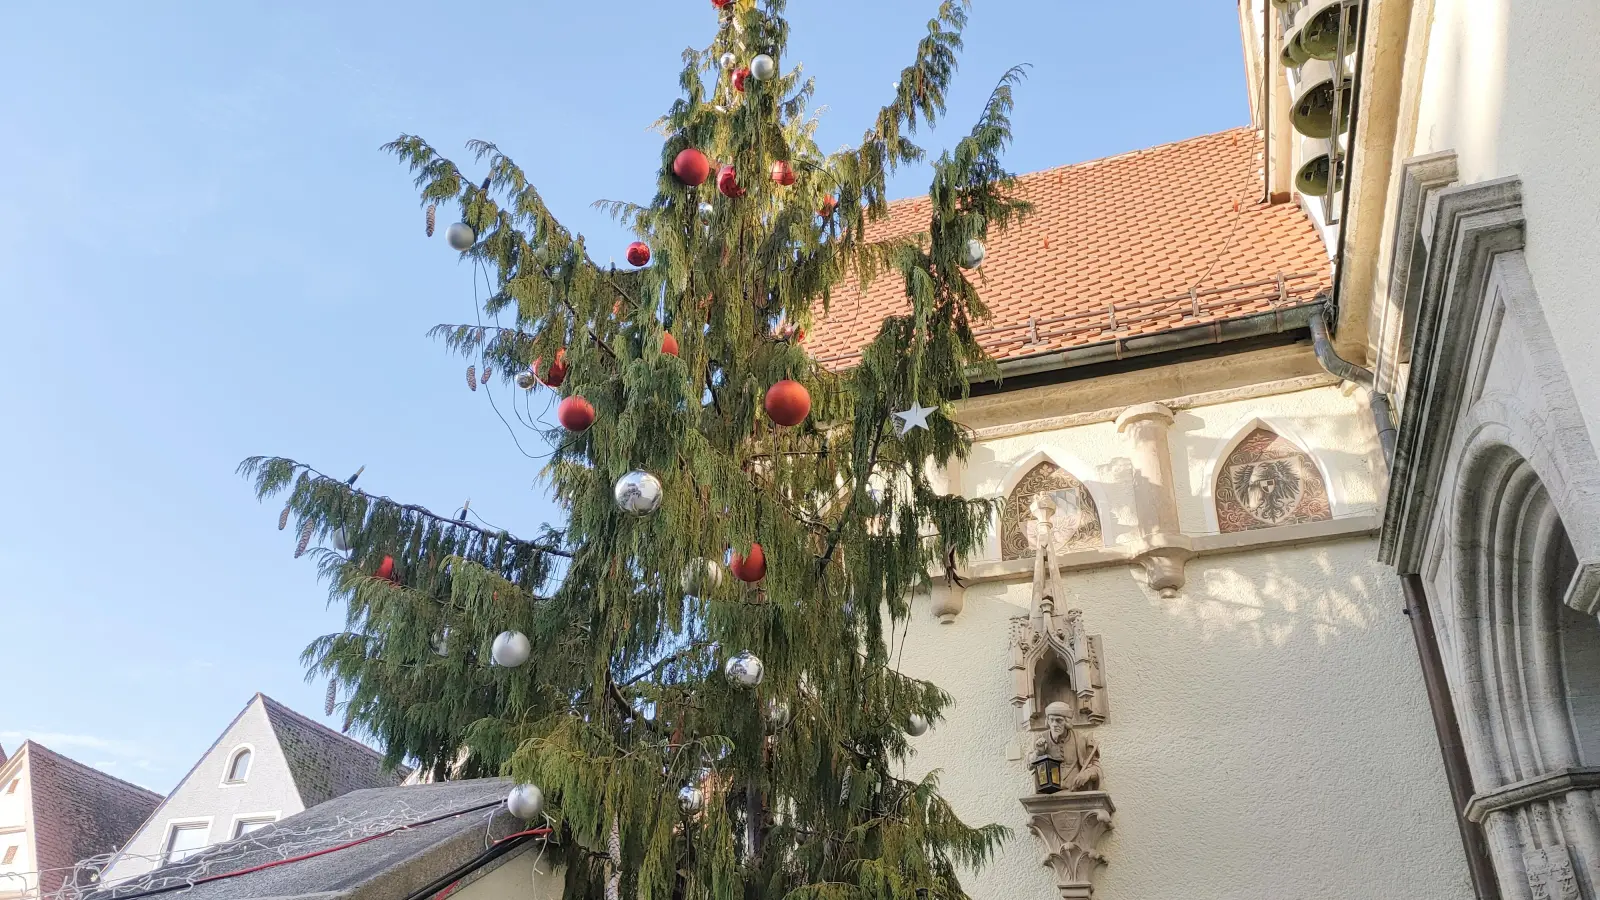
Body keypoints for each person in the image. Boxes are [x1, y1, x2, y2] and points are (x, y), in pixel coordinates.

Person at [1031, 701, 1101, 793]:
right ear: (1047, 721)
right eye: (1051, 720)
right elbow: (1030, 766)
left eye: (1059, 720)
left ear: (1067, 722)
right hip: (1050, 794)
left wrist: (1087, 774)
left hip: (1076, 791)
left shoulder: (1081, 739)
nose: (1054, 724)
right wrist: (1039, 752)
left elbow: (1096, 768)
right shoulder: (1040, 738)